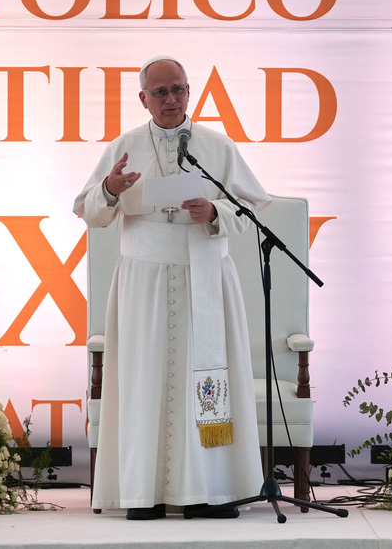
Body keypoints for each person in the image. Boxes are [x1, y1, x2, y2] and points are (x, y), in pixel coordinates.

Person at [74, 56, 269, 520]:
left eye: (177, 89)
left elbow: (254, 203)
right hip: (145, 279)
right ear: (143, 98)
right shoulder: (125, 145)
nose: (170, 99)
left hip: (205, 273)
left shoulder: (215, 145)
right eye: (159, 92)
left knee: (205, 379)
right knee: (147, 379)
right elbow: (88, 209)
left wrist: (217, 212)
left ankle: (211, 491)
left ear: (189, 92)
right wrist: (111, 187)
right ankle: (146, 492)